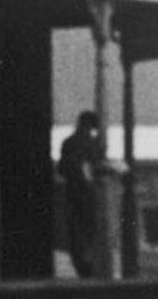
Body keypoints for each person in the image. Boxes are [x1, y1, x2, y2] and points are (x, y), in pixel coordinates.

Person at [57, 110, 103, 279]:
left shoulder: (67, 143)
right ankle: (88, 263)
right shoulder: (93, 144)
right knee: (90, 228)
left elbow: (61, 169)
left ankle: (82, 265)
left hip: (72, 192)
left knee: (76, 230)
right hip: (89, 192)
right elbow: (97, 167)